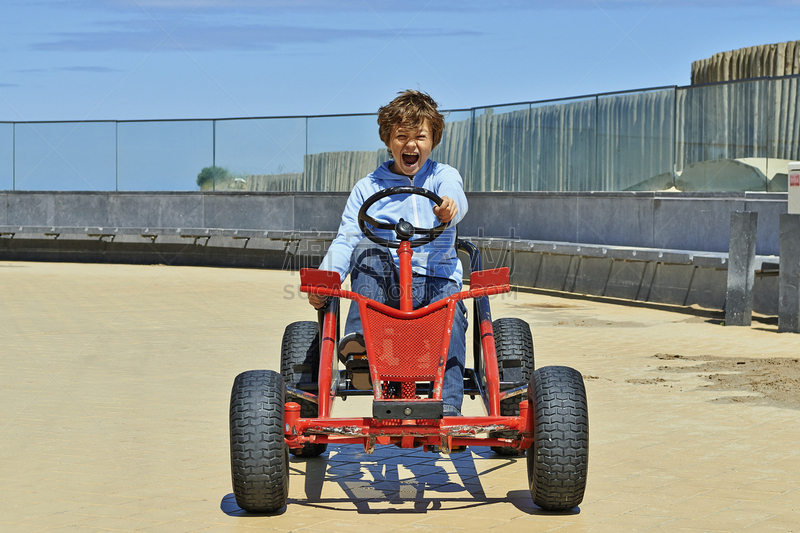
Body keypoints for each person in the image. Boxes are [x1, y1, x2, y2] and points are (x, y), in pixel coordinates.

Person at [309, 89, 468, 416]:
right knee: (367, 249)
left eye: (420, 137)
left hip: (436, 281)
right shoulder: (368, 186)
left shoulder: (442, 176)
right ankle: (360, 341)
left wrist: (449, 208)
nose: (411, 145)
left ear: (433, 140)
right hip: (387, 288)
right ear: (388, 140)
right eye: (402, 136)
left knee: (452, 316)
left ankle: (450, 409)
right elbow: (346, 238)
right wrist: (326, 280)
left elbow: (454, 196)